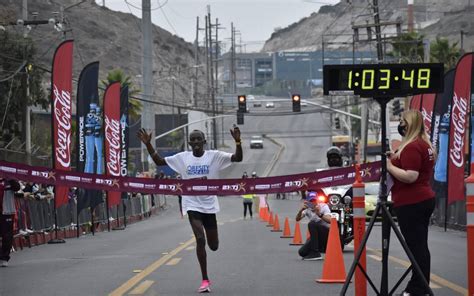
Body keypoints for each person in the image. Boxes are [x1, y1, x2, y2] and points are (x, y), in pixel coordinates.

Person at [137, 126, 242, 293]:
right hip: (191, 203)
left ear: (204, 142)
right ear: (189, 143)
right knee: (200, 239)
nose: (195, 142)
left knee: (213, 245)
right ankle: (205, 279)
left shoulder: (214, 156)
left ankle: (207, 269)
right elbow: (159, 161)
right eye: (192, 140)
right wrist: (149, 145)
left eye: (198, 139)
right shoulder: (183, 158)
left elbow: (237, 158)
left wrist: (237, 141)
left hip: (209, 204)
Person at [387, 110, 436, 296]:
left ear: (410, 124)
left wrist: (390, 166)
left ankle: (418, 288)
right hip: (421, 199)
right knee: (420, 246)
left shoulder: (413, 146)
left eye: (402, 121)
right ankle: (419, 286)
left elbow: (411, 176)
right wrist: (394, 157)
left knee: (416, 248)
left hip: (412, 202)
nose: (400, 124)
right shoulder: (423, 144)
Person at [295, 191, 331, 260]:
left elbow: (330, 220)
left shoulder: (323, 206)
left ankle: (315, 253)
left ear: (317, 200)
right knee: (302, 252)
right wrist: (301, 210)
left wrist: (319, 214)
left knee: (312, 224)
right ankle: (316, 250)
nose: (313, 203)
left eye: (314, 200)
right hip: (317, 236)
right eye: (311, 201)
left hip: (326, 233)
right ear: (308, 201)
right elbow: (297, 219)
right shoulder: (307, 209)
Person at [0, 178, 21, 267]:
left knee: (7, 236)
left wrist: (11, 178)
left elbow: (17, 187)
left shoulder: (9, 180)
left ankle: (4, 258)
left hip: (7, 212)